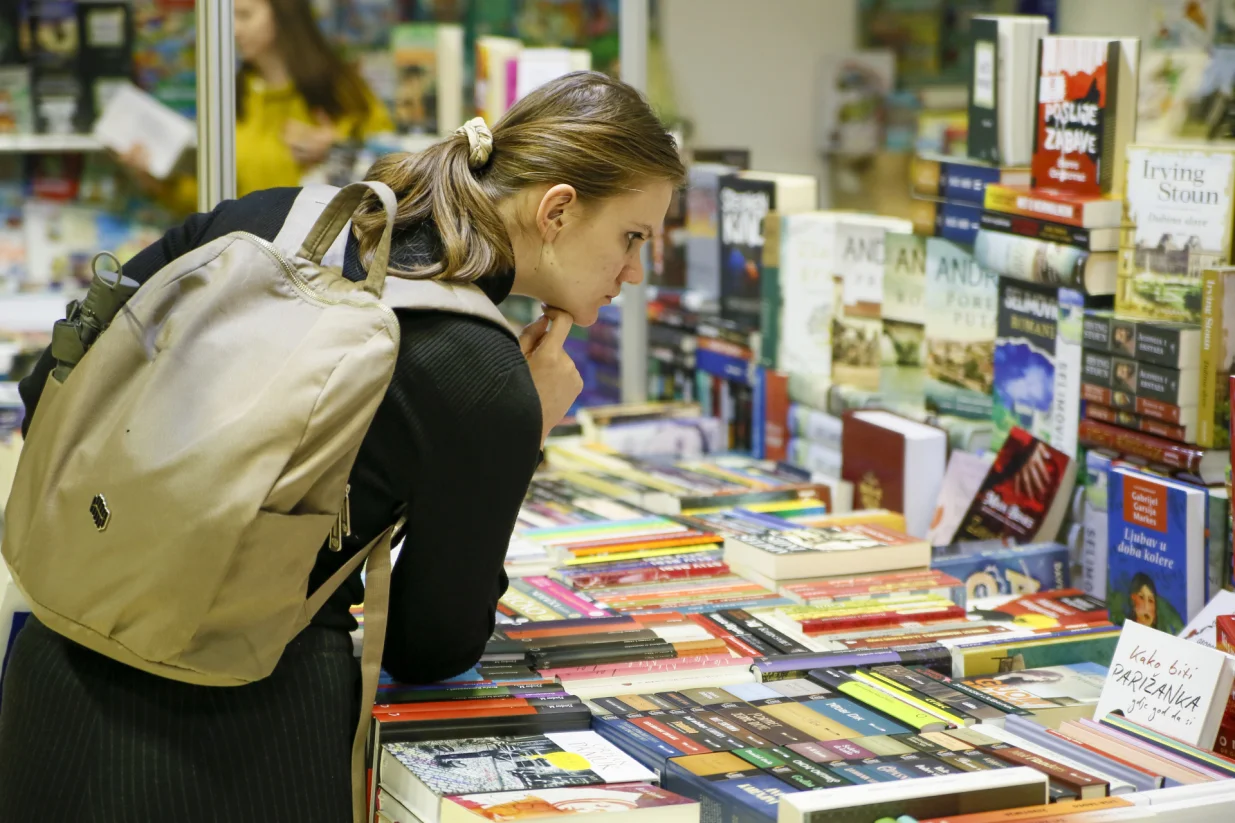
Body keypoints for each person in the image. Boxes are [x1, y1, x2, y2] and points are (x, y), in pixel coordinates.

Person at [0, 71, 685, 822]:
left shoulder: (271, 217)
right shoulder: (481, 374)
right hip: (242, 737)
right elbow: (431, 647)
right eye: (632, 236)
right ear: (556, 209)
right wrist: (530, 429)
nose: (634, 272)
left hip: (53, 667)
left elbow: (47, 390)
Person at [124, 0, 394, 216]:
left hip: (327, 263)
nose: (233, 29)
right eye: (230, 16)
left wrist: (336, 151)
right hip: (250, 258)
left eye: (244, 15)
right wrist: (157, 182)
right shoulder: (228, 96)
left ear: (283, 13)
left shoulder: (341, 89)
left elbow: (396, 170)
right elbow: (216, 202)